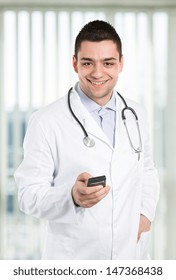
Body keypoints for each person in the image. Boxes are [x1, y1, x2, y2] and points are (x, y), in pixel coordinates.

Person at [14, 20, 160, 260]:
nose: (98, 73)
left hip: (130, 258)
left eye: (108, 63)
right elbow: (27, 195)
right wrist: (71, 196)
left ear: (121, 63)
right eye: (88, 63)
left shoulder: (136, 114)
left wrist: (144, 216)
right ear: (75, 63)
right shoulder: (46, 121)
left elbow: (147, 171)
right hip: (74, 259)